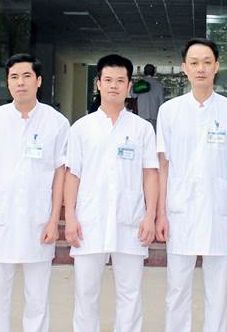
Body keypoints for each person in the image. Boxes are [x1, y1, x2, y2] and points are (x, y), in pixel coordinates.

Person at [155, 37, 227, 332]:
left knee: (218, 289)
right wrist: (160, 213)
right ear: (184, 68)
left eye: (207, 62)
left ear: (217, 67)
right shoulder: (169, 111)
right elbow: (163, 165)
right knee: (177, 288)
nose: (200, 69)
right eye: (194, 63)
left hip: (219, 212)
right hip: (179, 210)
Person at [0, 53, 69, 332]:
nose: (20, 82)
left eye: (27, 76)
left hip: (38, 221)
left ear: (38, 81)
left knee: (37, 297)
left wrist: (53, 220)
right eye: (14, 77)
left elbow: (60, 173)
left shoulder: (56, 123)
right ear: (7, 83)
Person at [63, 54, 159, 332]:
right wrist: (69, 216)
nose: (114, 86)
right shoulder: (81, 128)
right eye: (108, 80)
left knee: (130, 294)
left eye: (120, 81)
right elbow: (72, 174)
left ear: (129, 86)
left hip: (130, 221)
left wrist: (150, 216)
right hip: (89, 222)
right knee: (85, 294)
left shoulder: (141, 129)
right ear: (98, 84)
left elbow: (150, 173)